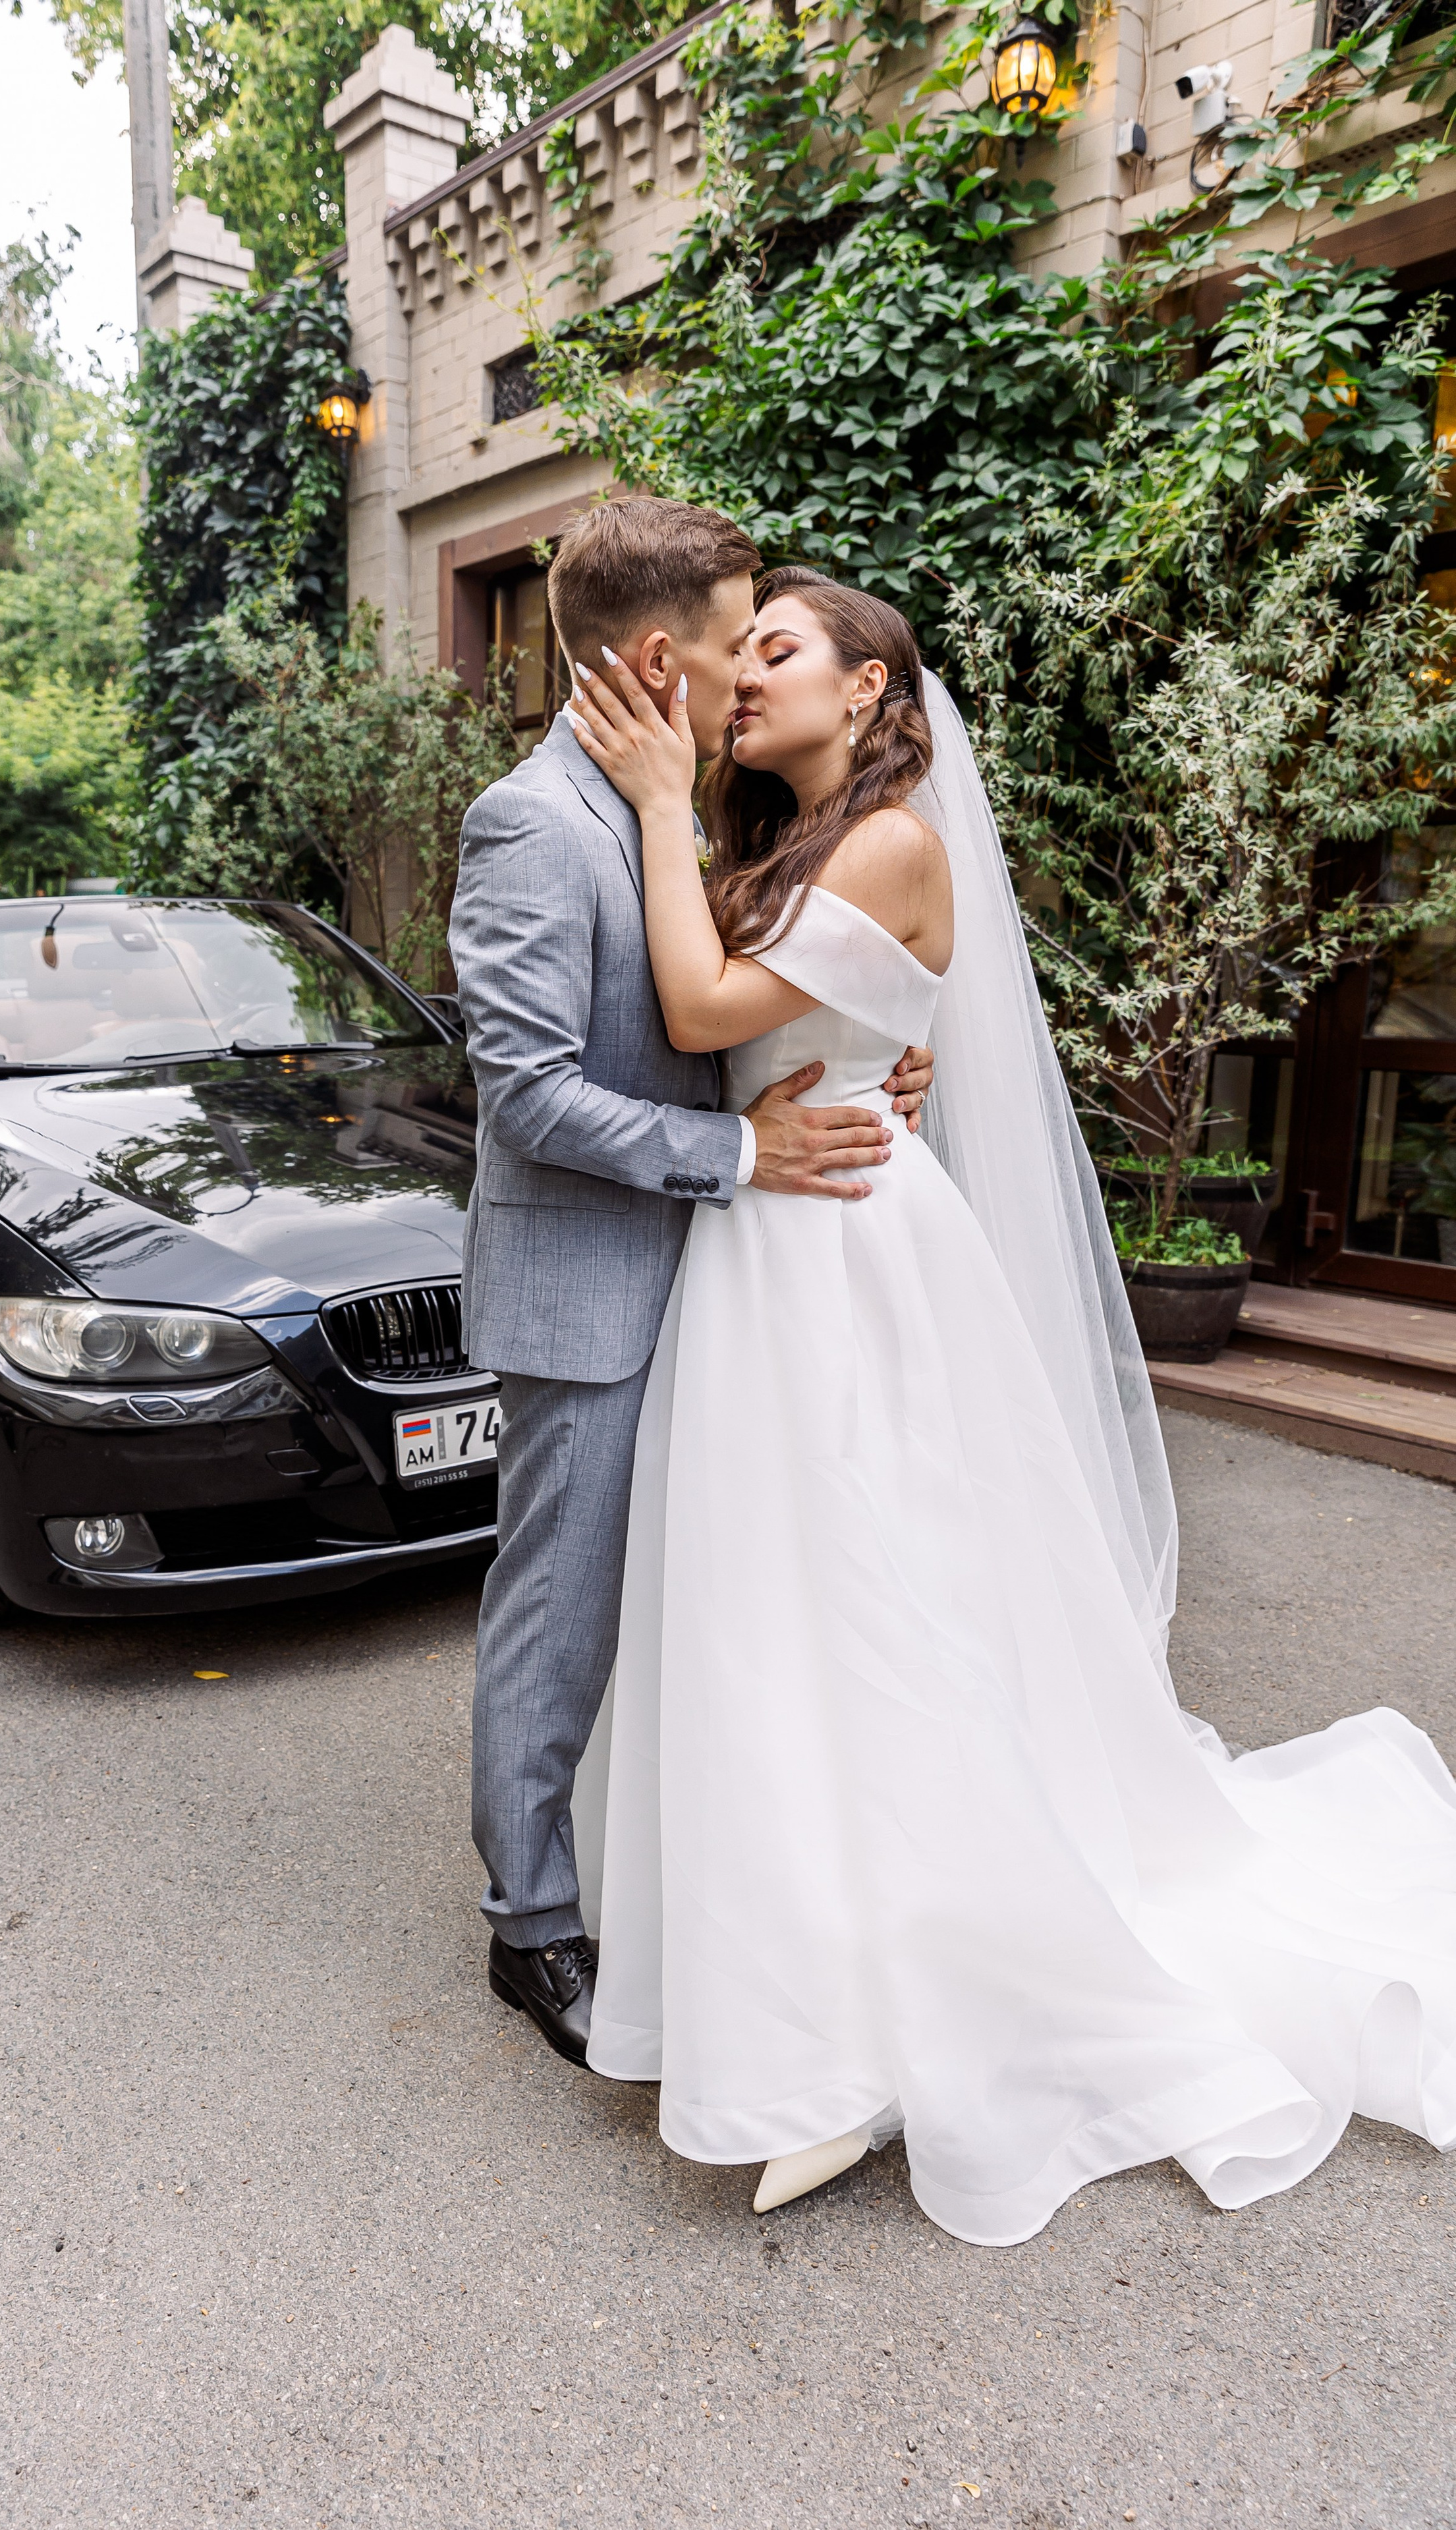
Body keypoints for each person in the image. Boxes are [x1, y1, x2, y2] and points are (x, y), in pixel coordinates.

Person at [564, 565, 1456, 2243]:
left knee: (871, 1597)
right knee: (775, 1610)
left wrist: (661, 803)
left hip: (840, 1249)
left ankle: (873, 2014)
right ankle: (790, 1970)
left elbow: (699, 1008)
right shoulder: (795, 842)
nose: (742, 677)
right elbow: (745, 1038)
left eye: (775, 651)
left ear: (871, 689)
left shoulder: (889, 840)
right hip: (771, 1235)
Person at [446, 503, 936, 2067]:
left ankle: (670, 1881)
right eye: (739, 643)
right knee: (562, 1612)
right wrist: (740, 1149)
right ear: (663, 659)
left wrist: (869, 1054)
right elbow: (528, 1095)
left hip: (732, 1284)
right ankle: (531, 1924)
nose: (750, 674)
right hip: (595, 1288)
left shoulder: (695, 813)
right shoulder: (534, 824)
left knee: (708, 1606)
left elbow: (744, 1000)